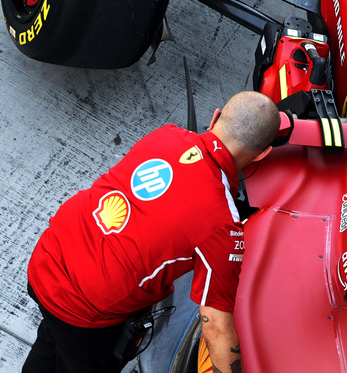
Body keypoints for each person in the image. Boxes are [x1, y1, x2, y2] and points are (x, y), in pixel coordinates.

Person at [24, 91, 281, 373]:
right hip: (81, 312)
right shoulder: (222, 226)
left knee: (50, 341)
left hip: (48, 257)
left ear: (216, 116)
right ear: (262, 154)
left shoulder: (166, 135)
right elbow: (217, 328)